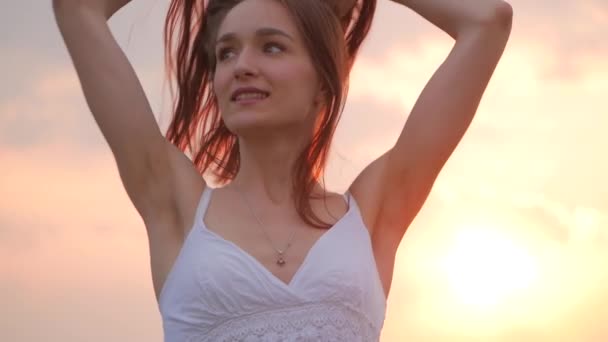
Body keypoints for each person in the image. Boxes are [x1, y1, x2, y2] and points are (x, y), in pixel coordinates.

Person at [52, 0, 513, 340]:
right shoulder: (177, 207)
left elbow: (487, 20)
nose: (242, 67)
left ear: (323, 80)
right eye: (227, 53)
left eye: (271, 47)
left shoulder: (371, 215)